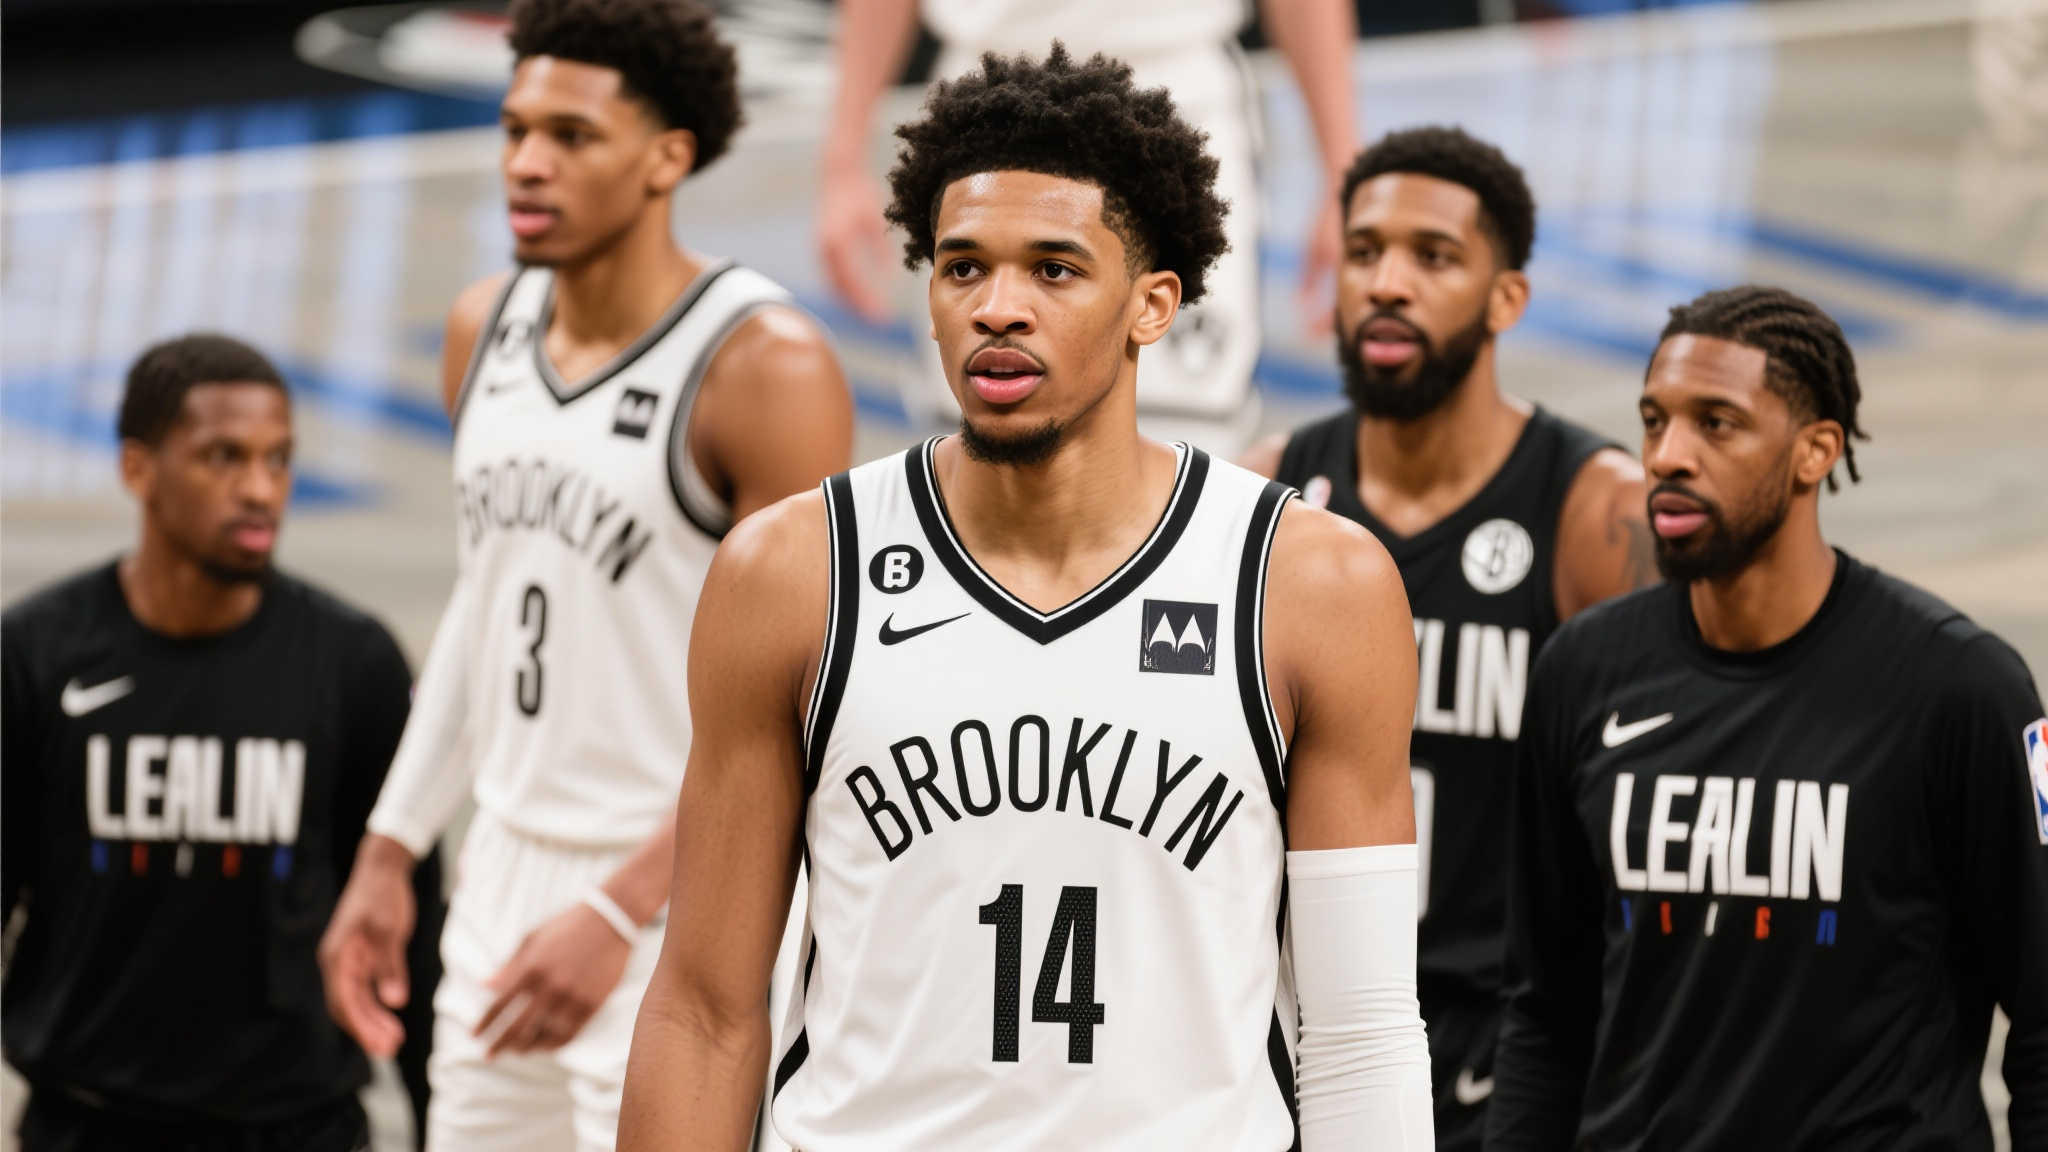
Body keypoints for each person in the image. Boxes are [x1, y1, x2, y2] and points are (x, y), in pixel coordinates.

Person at [620, 45, 1433, 1151]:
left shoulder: (1309, 586)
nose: (997, 308)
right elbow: (704, 1010)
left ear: (1152, 305)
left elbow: (1362, 1034)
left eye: (1054, 270)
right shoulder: (794, 572)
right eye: (962, 268)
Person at [315, 1, 854, 1148]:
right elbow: (484, 607)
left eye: (570, 136)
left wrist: (619, 908)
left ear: (667, 157)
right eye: (516, 129)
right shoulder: (483, 327)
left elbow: (808, 698)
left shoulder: (765, 366)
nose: (526, 162)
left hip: (686, 902)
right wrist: (391, 845)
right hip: (502, 878)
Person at [1487, 286, 2048, 1149]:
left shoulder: (1961, 689)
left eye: (1716, 423)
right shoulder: (1583, 671)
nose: (1667, 456)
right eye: (1654, 421)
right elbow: (1544, 1013)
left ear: (1815, 451)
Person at [1239, 124, 1652, 1148]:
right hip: (1302, 1039)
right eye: (1364, 251)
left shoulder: (1596, 515)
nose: (1387, 283)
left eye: (1432, 256)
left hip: (1515, 1053)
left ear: (1505, 298)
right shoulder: (1263, 495)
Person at [1, 334, 430, 1151]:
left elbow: (414, 929)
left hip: (298, 1128)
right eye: (223, 457)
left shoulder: (353, 663)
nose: (261, 489)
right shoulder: (36, 654)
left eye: (279, 459)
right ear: (138, 469)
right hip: (87, 1124)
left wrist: (437, 1125)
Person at [816, 0, 1360, 452]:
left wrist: (1342, 174)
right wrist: (842, 163)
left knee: (1188, 434)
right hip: (987, 99)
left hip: (1173, 91)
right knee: (988, 428)